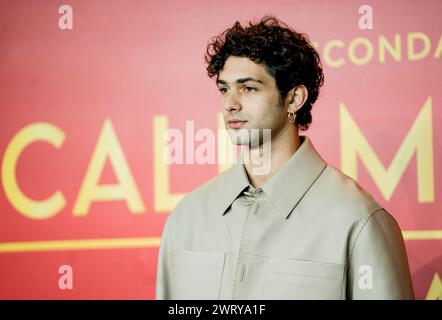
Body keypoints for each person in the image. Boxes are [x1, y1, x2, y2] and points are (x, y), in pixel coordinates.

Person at [155, 16, 414, 300]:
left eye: (248, 88)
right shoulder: (186, 219)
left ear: (294, 99)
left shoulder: (357, 221)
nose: (230, 103)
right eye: (224, 89)